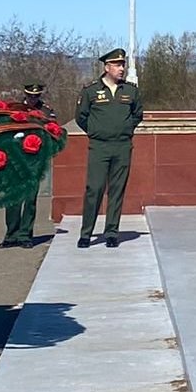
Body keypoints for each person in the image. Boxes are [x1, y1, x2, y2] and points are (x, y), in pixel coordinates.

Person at [75, 48, 143, 247]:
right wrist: (96, 131)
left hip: (122, 146)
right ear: (107, 67)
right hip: (100, 146)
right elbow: (81, 117)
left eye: (122, 64)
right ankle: (86, 233)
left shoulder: (130, 90)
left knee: (116, 189)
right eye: (117, 65)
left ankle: (111, 232)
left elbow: (138, 114)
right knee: (94, 188)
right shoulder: (91, 90)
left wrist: (126, 129)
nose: (121, 68)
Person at [0, 81, 55, 248]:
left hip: (34, 160)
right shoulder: (14, 109)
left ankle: (25, 235)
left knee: (30, 199)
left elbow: (53, 130)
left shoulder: (46, 111)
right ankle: (11, 235)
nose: (33, 99)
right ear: (25, 95)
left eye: (36, 96)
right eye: (30, 96)